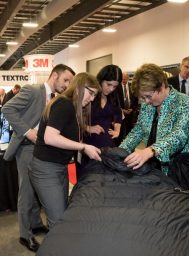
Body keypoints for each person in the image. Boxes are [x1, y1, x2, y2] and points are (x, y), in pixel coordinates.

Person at [2, 64, 75, 252]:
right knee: (26, 193)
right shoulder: (33, 90)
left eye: (70, 82)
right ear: (54, 76)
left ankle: (35, 223)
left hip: (41, 151)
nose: (67, 85)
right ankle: (25, 235)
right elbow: (7, 109)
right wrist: (28, 131)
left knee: (36, 191)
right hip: (26, 148)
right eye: (65, 80)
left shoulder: (58, 99)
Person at [29, 72, 101, 231]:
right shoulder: (64, 105)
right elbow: (50, 137)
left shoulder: (71, 107)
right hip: (46, 169)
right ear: (80, 88)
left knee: (60, 217)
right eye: (91, 93)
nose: (92, 98)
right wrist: (82, 147)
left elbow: (66, 131)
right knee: (58, 222)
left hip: (58, 167)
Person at [119, 63, 189, 175]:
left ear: (162, 86)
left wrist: (151, 151)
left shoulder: (188, 103)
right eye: (143, 98)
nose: (146, 101)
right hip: (155, 165)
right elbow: (138, 130)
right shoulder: (147, 105)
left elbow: (179, 135)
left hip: (182, 169)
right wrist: (120, 151)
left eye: (148, 96)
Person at [77, 65, 123, 179]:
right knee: (87, 179)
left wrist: (117, 129)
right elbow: (75, 118)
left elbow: (118, 113)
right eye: (108, 84)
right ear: (101, 80)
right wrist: (87, 128)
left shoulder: (114, 96)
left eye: (115, 86)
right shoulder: (89, 95)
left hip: (107, 146)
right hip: (87, 143)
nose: (111, 89)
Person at [116, 71, 139, 145]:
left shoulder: (131, 86)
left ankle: (130, 146)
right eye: (122, 79)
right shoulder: (116, 87)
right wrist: (121, 110)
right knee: (120, 131)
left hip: (130, 113)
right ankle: (120, 146)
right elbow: (115, 101)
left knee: (130, 131)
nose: (124, 81)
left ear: (128, 78)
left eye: (125, 79)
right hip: (120, 113)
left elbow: (136, 99)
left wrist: (132, 108)